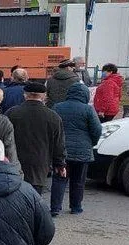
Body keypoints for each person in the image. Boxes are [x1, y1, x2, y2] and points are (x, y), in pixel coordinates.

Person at [52, 83, 102, 216]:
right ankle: (76, 207)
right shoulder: (88, 109)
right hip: (83, 151)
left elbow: (52, 127)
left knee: (59, 179)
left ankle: (55, 208)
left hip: (61, 150)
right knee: (78, 181)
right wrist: (91, 143)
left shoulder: (57, 107)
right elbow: (97, 130)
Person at [7, 82, 66, 194]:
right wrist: (60, 164)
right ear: (44, 96)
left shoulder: (12, 113)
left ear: (25, 95)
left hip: (15, 162)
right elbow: (58, 144)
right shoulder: (53, 117)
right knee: (34, 198)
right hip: (40, 164)